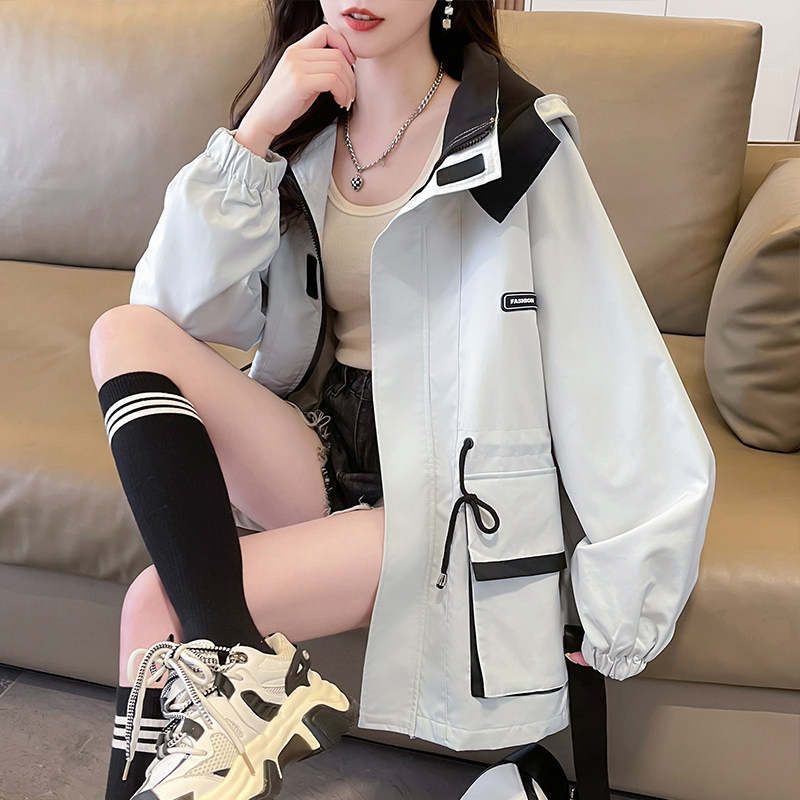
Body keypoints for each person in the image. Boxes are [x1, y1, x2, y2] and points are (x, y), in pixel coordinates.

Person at [89, 0, 715, 798]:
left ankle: (228, 672)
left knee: (154, 607)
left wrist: (626, 599)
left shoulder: (516, 143)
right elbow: (176, 312)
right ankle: (235, 673)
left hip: (442, 490)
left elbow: (608, 359)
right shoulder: (309, 143)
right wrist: (256, 135)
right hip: (321, 443)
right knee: (123, 331)